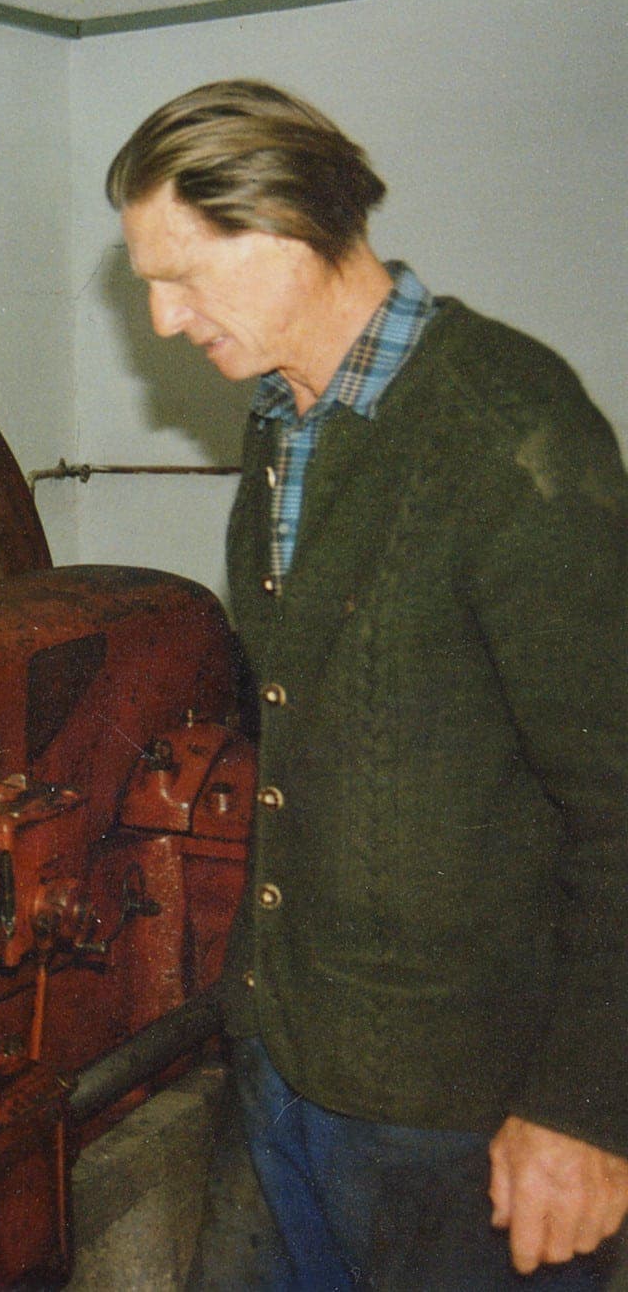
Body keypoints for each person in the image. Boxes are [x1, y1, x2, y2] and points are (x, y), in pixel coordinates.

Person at [107, 80, 628, 1288]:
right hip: (289, 1058)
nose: (164, 319)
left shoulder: (506, 429)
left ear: (289, 229)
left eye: (182, 275)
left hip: (465, 1113)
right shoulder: (285, 424)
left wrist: (588, 1109)